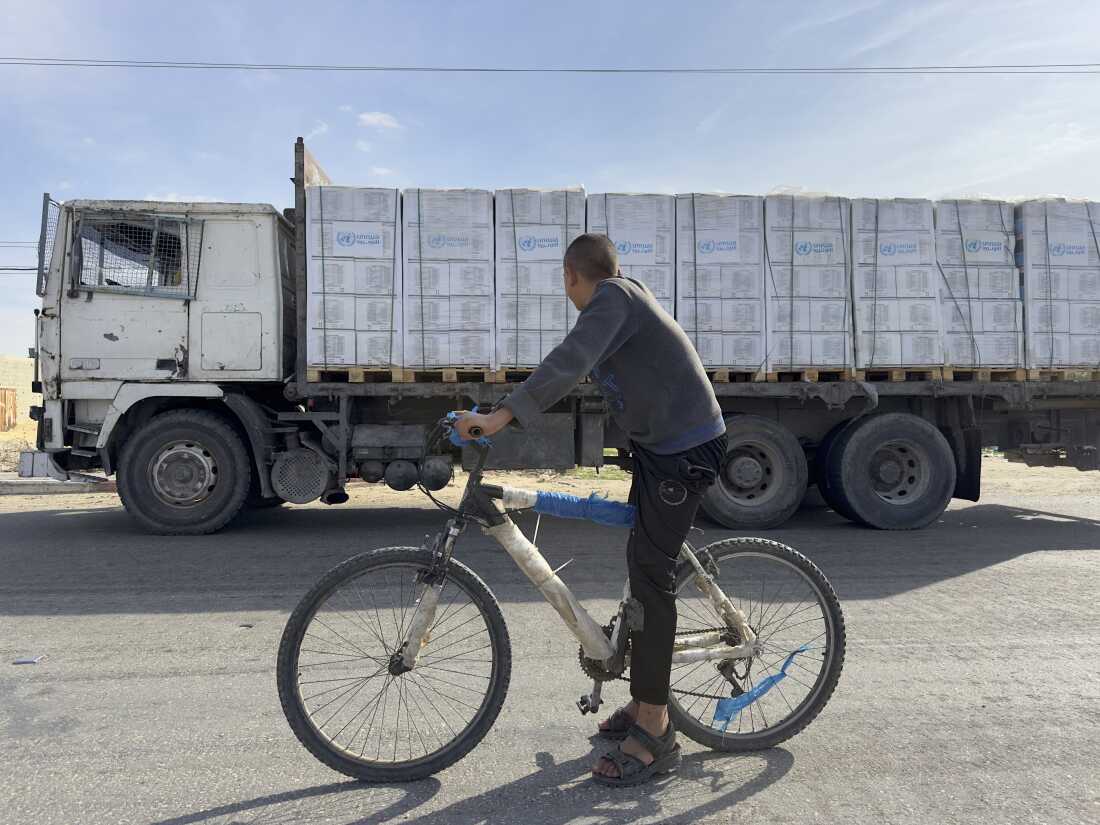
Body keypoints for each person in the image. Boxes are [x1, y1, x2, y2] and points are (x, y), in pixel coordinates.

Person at [455, 233, 727, 786]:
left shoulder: (614, 299)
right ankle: (643, 698)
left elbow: (570, 359)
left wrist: (502, 416)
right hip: (661, 449)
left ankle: (656, 725)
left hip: (685, 452)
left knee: (652, 580)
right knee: (639, 563)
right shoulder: (623, 302)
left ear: (569, 276)